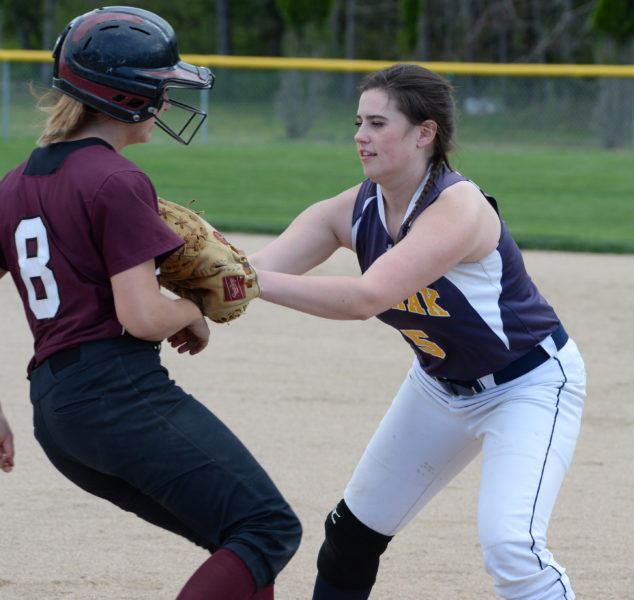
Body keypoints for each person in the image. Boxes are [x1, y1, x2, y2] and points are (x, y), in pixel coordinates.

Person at [250, 63, 585, 600]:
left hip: (528, 386)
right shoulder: (353, 208)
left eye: (378, 123)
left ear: (424, 133)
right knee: (350, 536)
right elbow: (262, 266)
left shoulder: (458, 208)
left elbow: (364, 299)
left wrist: (244, 281)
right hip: (437, 387)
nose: (361, 136)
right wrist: (194, 273)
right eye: (359, 121)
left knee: (511, 547)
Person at [0, 7, 300, 600]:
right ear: (127, 93)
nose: (168, 95)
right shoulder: (115, 180)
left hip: (57, 415)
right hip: (117, 395)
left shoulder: (13, 185)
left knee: (237, 539)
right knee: (267, 528)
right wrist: (192, 311)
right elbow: (142, 317)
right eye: (161, 83)